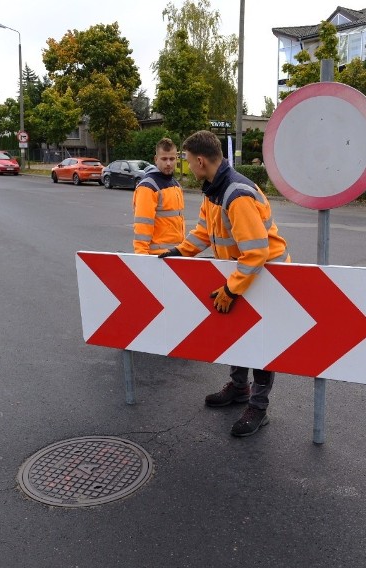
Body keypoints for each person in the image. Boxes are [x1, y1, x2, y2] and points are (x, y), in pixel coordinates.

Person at [159, 130, 290, 437]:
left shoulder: (236, 194)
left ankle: (258, 407)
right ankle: (239, 389)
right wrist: (180, 252)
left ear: (201, 161)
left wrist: (232, 289)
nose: (188, 167)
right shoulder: (214, 190)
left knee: (260, 344)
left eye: (189, 162)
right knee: (236, 332)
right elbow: (204, 231)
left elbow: (257, 252)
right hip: (244, 271)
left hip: (265, 275)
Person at [132, 138, 185, 255]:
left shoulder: (175, 185)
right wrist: (142, 257)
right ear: (156, 159)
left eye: (172, 159)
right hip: (156, 257)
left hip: (174, 254)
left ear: (176, 159)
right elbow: (142, 226)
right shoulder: (148, 187)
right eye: (164, 159)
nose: (168, 163)